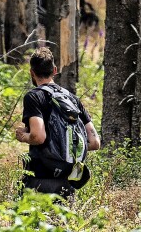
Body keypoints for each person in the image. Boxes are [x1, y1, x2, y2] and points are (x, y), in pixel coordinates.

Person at [15, 48, 101, 197]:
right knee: (62, 220)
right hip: (68, 181)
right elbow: (94, 142)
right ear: (54, 70)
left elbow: (38, 137)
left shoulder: (34, 97)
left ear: (31, 72)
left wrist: (23, 136)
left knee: (31, 220)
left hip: (39, 180)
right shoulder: (72, 99)